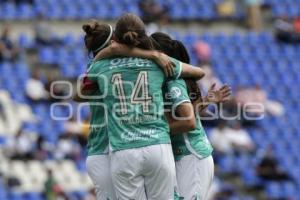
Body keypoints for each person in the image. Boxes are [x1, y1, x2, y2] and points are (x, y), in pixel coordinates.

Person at [86, 13, 205, 199]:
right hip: (157, 145)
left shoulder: (99, 68)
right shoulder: (159, 63)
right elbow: (198, 72)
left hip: (121, 148)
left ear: (115, 40)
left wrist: (107, 54)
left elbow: (78, 93)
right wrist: (155, 54)